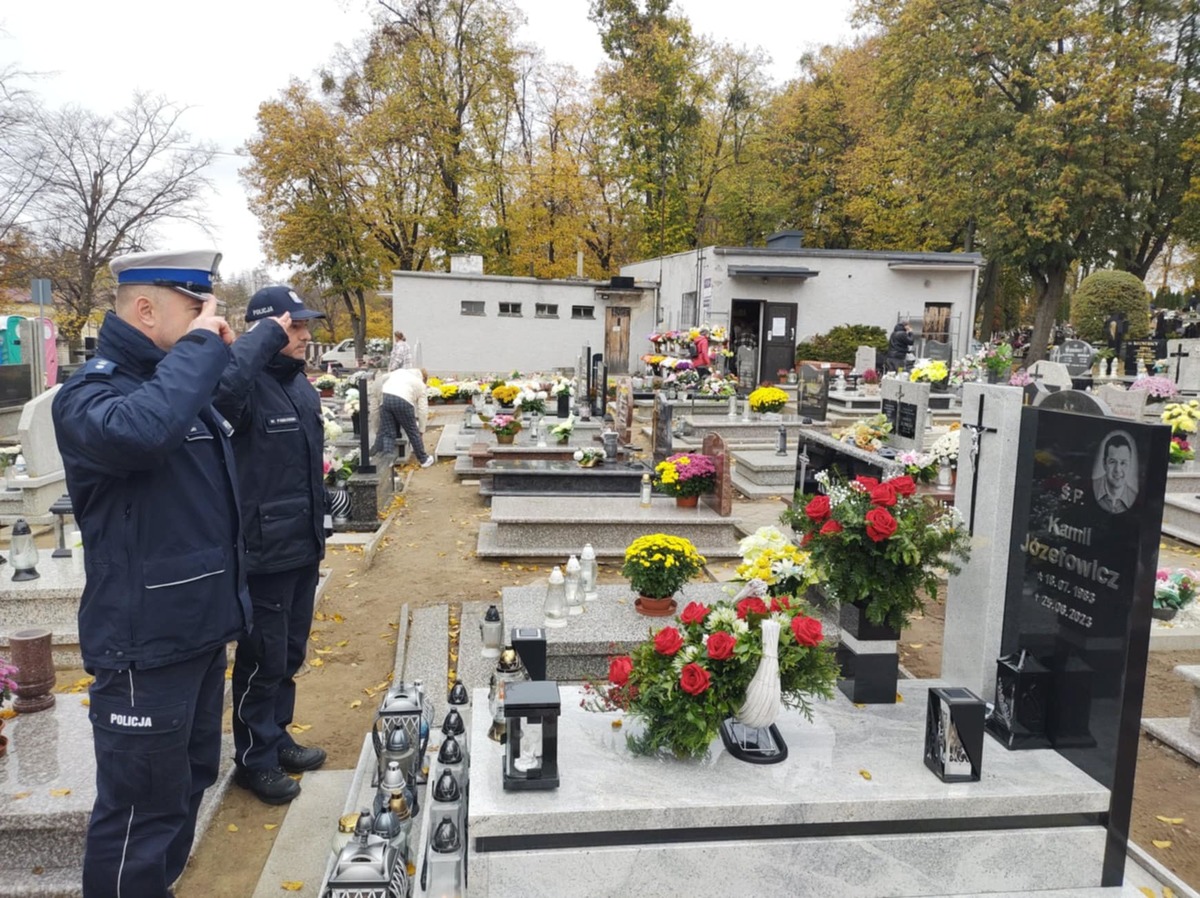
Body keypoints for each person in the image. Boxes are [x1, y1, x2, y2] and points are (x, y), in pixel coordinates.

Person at [52, 249, 250, 897]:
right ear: (146, 309)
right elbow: (139, 435)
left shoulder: (174, 381)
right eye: (198, 311)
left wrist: (221, 343)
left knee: (186, 788)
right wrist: (197, 349)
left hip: (194, 632)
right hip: (145, 646)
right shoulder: (93, 394)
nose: (212, 325)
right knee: (141, 815)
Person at [213, 285, 329, 805]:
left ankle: (277, 736)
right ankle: (253, 759)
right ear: (268, 331)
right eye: (294, 327)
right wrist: (258, 341)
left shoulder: (299, 386)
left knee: (290, 652)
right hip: (263, 554)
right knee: (262, 659)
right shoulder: (242, 386)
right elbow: (218, 393)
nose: (306, 335)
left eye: (305, 326)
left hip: (301, 544)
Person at [375, 366, 435, 467]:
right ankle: (423, 460)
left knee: (388, 434)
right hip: (403, 401)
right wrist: (421, 430)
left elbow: (382, 378)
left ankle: (387, 463)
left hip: (385, 398)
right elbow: (423, 410)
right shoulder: (420, 384)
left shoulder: (399, 372)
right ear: (424, 378)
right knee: (412, 431)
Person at [1093, 432, 1139, 513]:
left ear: (1130, 465)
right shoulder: (1091, 489)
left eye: (1123, 463)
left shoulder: (1134, 496)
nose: (1117, 469)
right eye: (1112, 462)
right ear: (1104, 464)